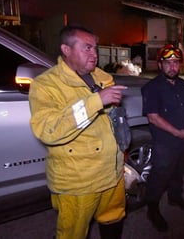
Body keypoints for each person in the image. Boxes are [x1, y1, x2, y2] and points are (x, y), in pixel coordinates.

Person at [29, 24, 127, 239]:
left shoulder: (102, 77)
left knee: (113, 217)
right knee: (73, 232)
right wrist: (96, 101)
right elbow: (48, 130)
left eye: (95, 48)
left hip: (112, 173)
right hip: (79, 182)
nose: (95, 55)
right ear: (66, 50)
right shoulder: (46, 85)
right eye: (87, 48)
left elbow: (112, 122)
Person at [141, 44, 184, 232]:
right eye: (168, 63)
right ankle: (152, 208)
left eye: (175, 63)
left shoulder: (183, 84)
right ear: (160, 65)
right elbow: (153, 117)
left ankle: (175, 197)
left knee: (178, 171)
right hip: (166, 143)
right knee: (160, 175)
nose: (172, 67)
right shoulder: (152, 87)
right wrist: (177, 133)